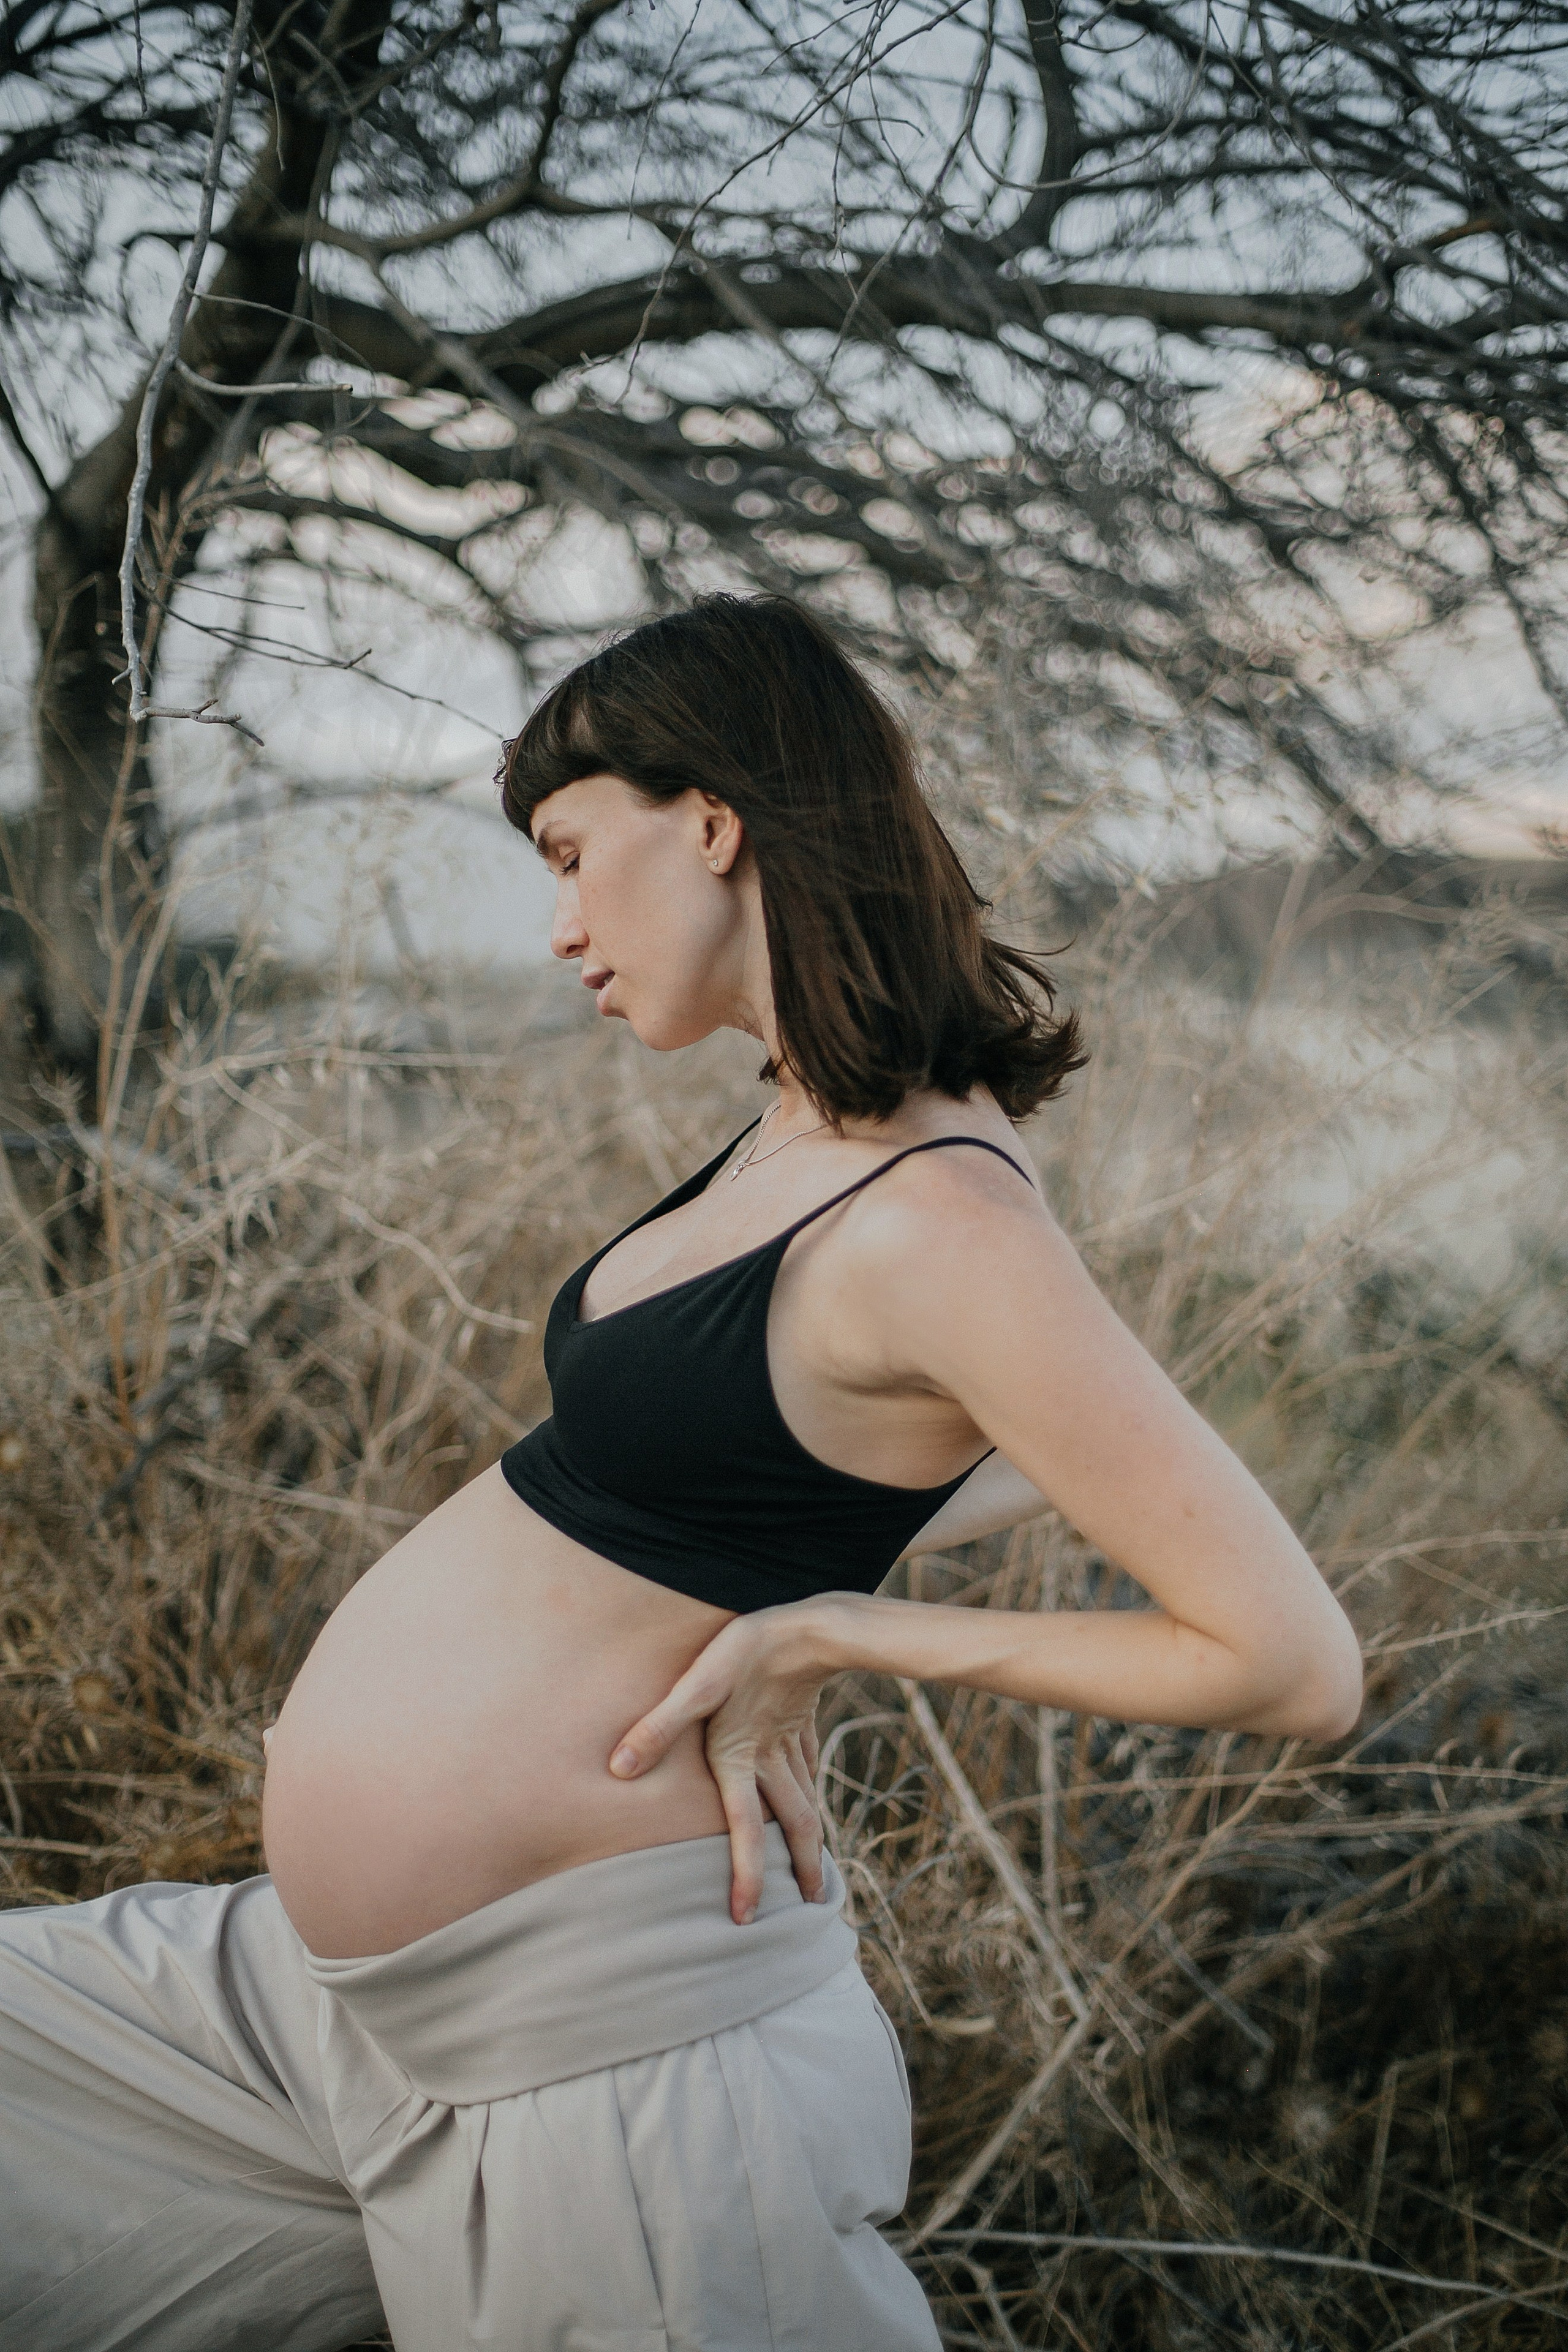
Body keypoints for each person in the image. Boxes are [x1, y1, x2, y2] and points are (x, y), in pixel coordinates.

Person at [0, 595, 1361, 2352]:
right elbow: (968, 1450)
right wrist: (827, 1543)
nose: (559, 927)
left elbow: (1287, 1659)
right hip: (349, 2004)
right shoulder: (802, 1129)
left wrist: (827, 1636)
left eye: (574, 855)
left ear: (714, 819)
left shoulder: (940, 1213)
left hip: (621, 2059)